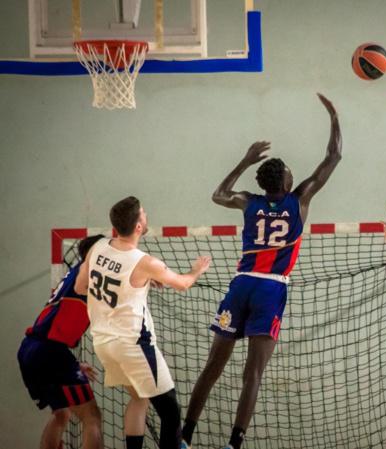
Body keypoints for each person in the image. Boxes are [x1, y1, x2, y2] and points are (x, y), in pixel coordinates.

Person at [180, 93, 342, 449]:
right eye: (289, 173)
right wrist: (333, 115)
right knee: (252, 373)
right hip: (270, 289)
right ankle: (233, 444)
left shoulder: (249, 201)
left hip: (240, 286)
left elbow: (218, 194)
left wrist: (244, 160)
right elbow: (334, 157)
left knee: (212, 366)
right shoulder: (299, 201)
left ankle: (184, 436)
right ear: (285, 184)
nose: (292, 174)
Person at [74, 196, 211, 449]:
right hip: (133, 345)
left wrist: (134, 284)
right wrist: (195, 270)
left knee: (140, 399)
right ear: (138, 226)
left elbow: (80, 286)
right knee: (170, 410)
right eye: (144, 213)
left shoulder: (97, 248)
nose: (147, 216)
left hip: (104, 343)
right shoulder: (145, 262)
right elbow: (183, 284)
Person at [18, 234, 105, 449]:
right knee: (92, 417)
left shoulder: (75, 273)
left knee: (61, 414)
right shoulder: (88, 272)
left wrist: (72, 364)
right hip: (49, 352)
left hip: (32, 349)